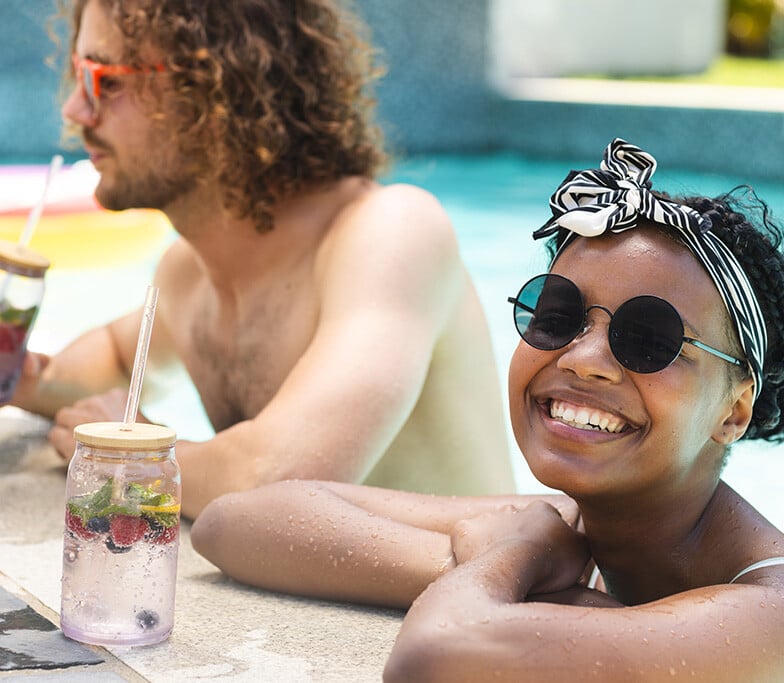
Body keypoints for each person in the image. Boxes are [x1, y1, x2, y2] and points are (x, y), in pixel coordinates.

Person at [191, 138, 784, 681]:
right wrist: (526, 562)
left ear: (735, 410)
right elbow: (234, 521)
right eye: (558, 312)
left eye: (650, 339)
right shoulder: (576, 528)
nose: (585, 357)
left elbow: (437, 656)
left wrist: (501, 567)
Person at [9, 0, 515, 519]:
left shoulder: (391, 234)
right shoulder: (186, 274)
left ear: (216, 86)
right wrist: (17, 374)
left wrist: (133, 455)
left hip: (468, 593)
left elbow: (277, 478)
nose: (75, 110)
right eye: (78, 75)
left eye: (104, 80)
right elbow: (116, 361)